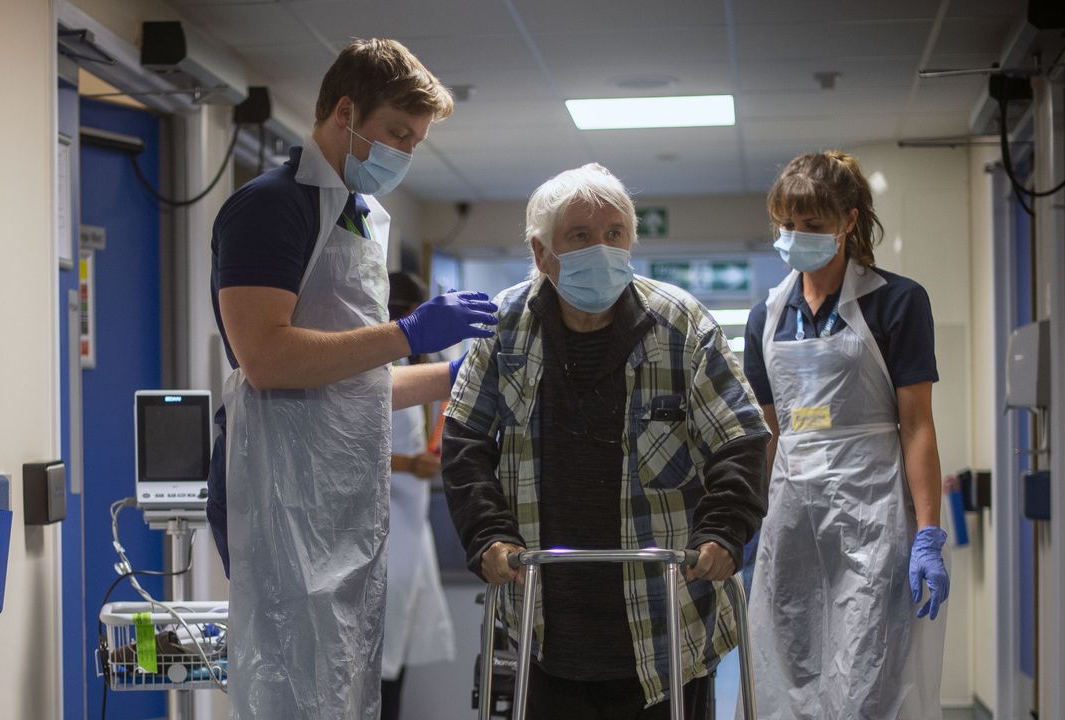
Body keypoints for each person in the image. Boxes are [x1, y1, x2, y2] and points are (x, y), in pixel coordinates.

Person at [206, 39, 498, 719]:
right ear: (345, 111)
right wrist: (408, 334)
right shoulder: (273, 207)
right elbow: (267, 358)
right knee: (288, 688)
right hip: (278, 489)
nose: (404, 151)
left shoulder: (362, 217)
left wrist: (452, 378)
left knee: (340, 685)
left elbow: (349, 385)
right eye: (396, 132)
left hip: (338, 495)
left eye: (416, 141)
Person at [443, 163, 769, 720]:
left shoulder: (681, 325)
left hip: (665, 624)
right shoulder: (503, 328)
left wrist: (723, 530)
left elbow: (740, 439)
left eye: (615, 233)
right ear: (542, 252)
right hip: (545, 625)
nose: (603, 248)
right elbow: (464, 440)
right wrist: (487, 536)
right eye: (581, 236)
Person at [741, 151, 949, 719]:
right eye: (786, 225)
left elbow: (918, 426)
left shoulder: (897, 302)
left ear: (848, 221)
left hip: (872, 516)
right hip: (790, 520)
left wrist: (927, 533)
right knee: (784, 677)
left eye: (812, 226)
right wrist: (748, 522)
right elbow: (771, 432)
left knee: (866, 678)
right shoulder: (766, 316)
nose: (795, 237)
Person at [380, 271, 456, 720]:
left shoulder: (415, 364)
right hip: (382, 527)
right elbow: (349, 447)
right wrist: (409, 465)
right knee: (380, 658)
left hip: (411, 525)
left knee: (399, 648)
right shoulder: (374, 368)